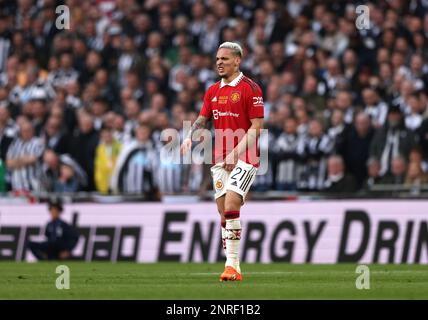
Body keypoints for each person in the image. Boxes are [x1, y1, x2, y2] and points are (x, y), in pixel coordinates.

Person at [180, 42, 264, 281]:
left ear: (237, 61)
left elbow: (257, 127)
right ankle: (234, 267)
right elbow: (202, 119)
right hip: (218, 157)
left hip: (245, 156)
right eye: (217, 59)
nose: (219, 62)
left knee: (231, 205)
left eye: (225, 59)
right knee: (223, 213)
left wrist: (235, 153)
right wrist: (188, 138)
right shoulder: (213, 90)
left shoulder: (251, 88)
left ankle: (230, 265)